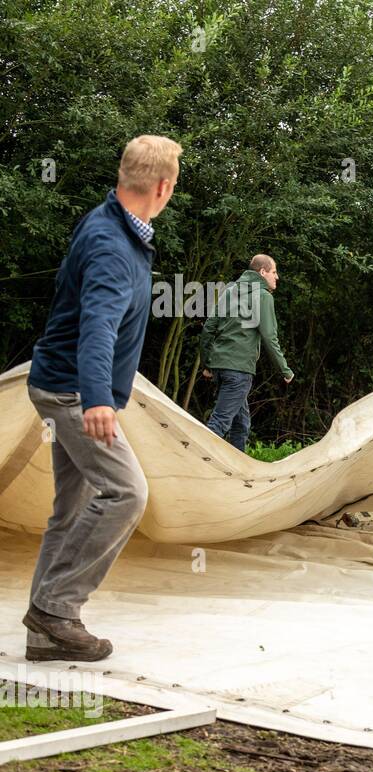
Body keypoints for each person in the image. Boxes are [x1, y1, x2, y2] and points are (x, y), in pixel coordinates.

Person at [23, 135, 183, 662]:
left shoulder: (111, 225)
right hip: (72, 392)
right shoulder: (114, 245)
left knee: (69, 509)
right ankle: (57, 609)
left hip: (64, 383)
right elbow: (98, 327)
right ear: (163, 186)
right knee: (126, 492)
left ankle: (45, 635)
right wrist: (96, 399)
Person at [199, 254, 293, 452]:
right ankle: (192, 466)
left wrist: (207, 364)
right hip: (239, 370)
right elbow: (269, 337)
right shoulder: (264, 296)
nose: (277, 277)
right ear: (262, 272)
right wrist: (285, 370)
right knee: (218, 424)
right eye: (274, 272)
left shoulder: (230, 290)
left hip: (221, 367)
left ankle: (236, 473)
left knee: (241, 425)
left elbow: (209, 327)